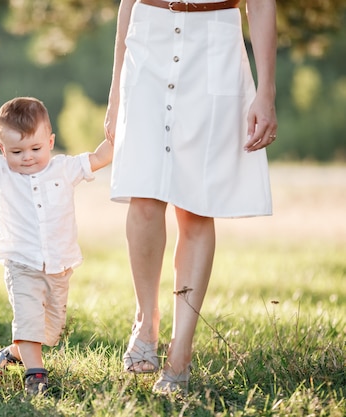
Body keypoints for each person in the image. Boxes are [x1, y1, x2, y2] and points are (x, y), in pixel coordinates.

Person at [104, 0, 277, 394]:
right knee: (144, 198)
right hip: (147, 38)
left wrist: (265, 91)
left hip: (215, 41)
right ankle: (147, 321)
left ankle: (180, 353)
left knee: (197, 208)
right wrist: (116, 90)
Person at [0, 96, 113, 395]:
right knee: (29, 319)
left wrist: (118, 130)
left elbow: (99, 157)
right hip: (21, 263)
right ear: (4, 149)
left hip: (59, 264)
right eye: (17, 151)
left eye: (36, 148)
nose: (28, 157)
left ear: (50, 141)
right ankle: (35, 374)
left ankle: (10, 355)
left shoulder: (64, 168)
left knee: (49, 330)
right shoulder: (3, 172)